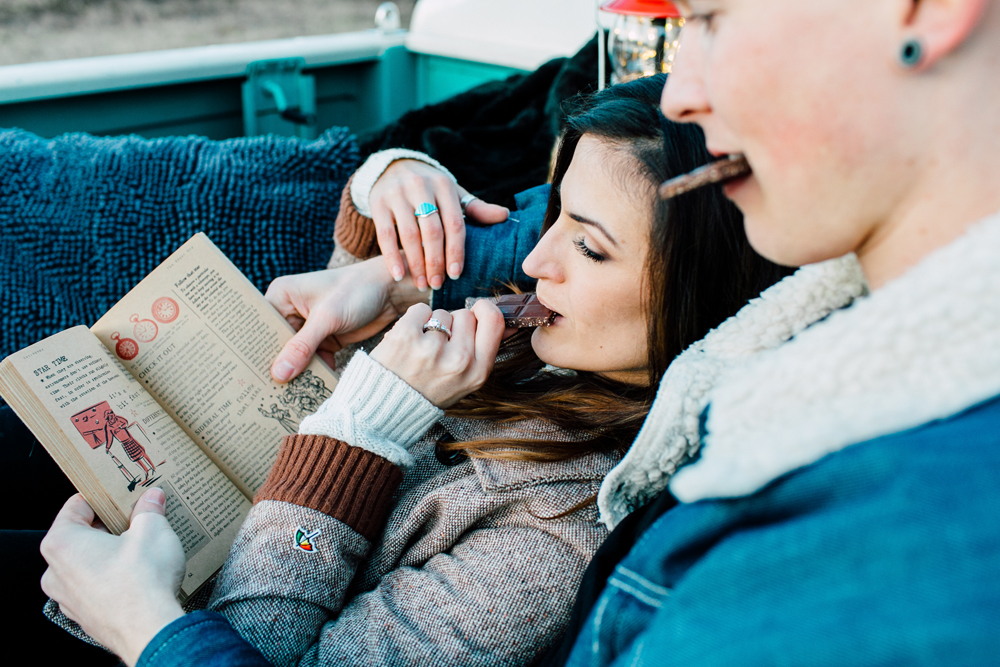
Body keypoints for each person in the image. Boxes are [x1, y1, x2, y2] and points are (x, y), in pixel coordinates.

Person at [38, 75, 790, 666]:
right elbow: (335, 354)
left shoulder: (560, 539)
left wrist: (357, 438)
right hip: (172, 535)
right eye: (554, 213)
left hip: (160, 620)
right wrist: (385, 198)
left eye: (589, 247)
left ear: (706, 292)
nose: (535, 258)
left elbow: (262, 649)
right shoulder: (541, 338)